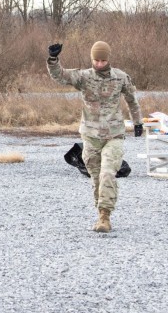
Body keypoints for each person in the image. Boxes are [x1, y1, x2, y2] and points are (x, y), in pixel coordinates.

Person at [47, 41, 143, 233]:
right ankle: (100, 212)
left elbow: (132, 100)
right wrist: (53, 59)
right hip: (90, 136)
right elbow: (61, 76)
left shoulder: (120, 77)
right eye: (96, 60)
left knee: (108, 173)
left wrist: (138, 121)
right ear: (92, 59)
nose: (99, 64)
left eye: (103, 60)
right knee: (96, 178)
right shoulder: (84, 77)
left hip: (114, 135)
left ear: (109, 58)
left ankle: (104, 217)